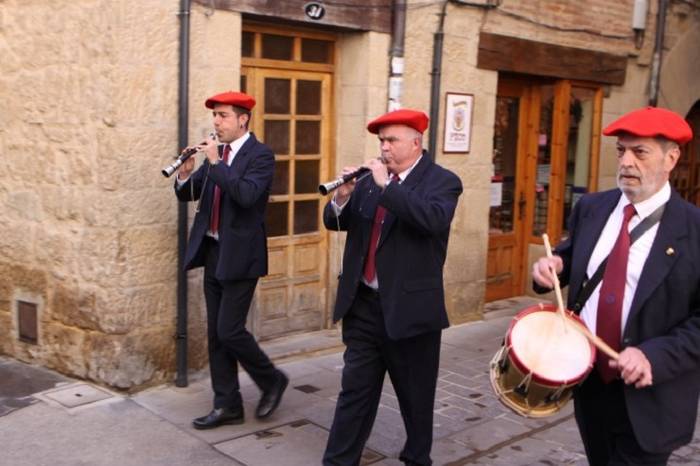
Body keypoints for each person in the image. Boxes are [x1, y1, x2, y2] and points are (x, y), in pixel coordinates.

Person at [532, 106, 700, 465]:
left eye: (640, 152)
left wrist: (653, 355)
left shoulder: (694, 230)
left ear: (671, 158)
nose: (626, 162)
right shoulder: (593, 207)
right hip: (591, 382)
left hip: (652, 396)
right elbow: (572, 256)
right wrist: (553, 266)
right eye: (621, 151)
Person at [322, 109, 463, 465]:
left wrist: (388, 186)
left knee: (415, 399)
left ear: (415, 142)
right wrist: (343, 196)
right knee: (354, 393)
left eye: (391, 140)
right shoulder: (369, 180)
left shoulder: (443, 181)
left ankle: (417, 459)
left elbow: (431, 219)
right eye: (381, 141)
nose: (384, 148)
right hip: (364, 306)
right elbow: (335, 222)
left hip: (410, 311)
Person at [174, 91, 288, 430]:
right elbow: (189, 192)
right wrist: (184, 173)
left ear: (243, 119)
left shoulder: (261, 156)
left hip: (240, 256)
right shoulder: (216, 155)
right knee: (215, 334)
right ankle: (227, 404)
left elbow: (247, 195)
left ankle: (272, 380)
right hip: (212, 252)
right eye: (215, 116)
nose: (216, 122)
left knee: (229, 330)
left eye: (223, 116)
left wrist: (215, 163)